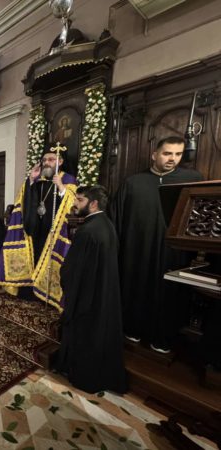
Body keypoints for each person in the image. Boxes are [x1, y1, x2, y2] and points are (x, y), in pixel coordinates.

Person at [109, 136, 204, 353]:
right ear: (154, 155)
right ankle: (132, 328)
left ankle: (163, 337)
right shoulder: (133, 182)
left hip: (173, 252)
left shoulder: (192, 179)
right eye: (167, 153)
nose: (172, 159)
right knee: (136, 287)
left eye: (178, 154)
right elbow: (116, 219)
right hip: (137, 250)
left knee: (169, 293)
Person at [53, 185, 127, 394]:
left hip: (87, 296)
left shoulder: (87, 231)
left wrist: (64, 278)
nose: (75, 204)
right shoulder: (107, 225)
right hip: (103, 292)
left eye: (80, 200)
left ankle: (83, 377)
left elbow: (72, 269)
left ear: (93, 204)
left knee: (84, 335)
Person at [0, 145, 77, 309]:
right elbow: (22, 200)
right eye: (44, 159)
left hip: (53, 231)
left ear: (60, 162)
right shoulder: (37, 178)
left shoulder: (68, 179)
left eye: (51, 159)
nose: (47, 163)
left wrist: (61, 187)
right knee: (32, 258)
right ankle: (28, 291)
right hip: (34, 229)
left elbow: (73, 205)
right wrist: (31, 181)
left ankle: (46, 294)